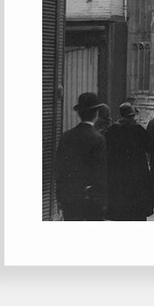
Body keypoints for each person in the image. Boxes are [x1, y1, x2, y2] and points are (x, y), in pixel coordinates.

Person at [55, 91, 108, 221]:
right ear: (96, 114)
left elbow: (59, 169)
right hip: (91, 199)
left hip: (70, 198)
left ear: (79, 113)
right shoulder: (98, 139)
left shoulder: (66, 137)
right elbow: (100, 173)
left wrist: (60, 197)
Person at [104, 102, 154, 221]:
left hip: (119, 173)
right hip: (137, 173)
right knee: (137, 210)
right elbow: (150, 147)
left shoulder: (112, 130)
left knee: (121, 208)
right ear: (132, 116)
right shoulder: (138, 130)